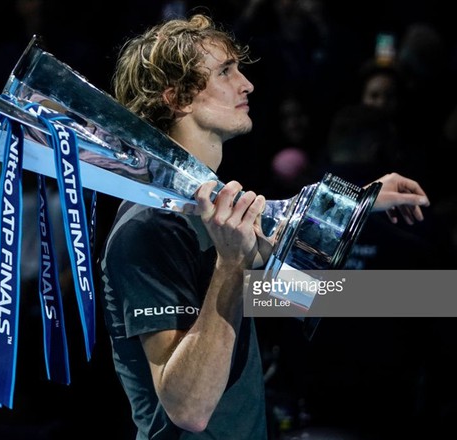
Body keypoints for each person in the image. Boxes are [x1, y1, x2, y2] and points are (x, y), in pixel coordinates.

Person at [97, 13, 430, 439]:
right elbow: (189, 409)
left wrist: (360, 200)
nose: (246, 84)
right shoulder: (148, 227)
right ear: (177, 98)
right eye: (224, 72)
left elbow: (294, 280)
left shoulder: (209, 207)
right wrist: (232, 267)